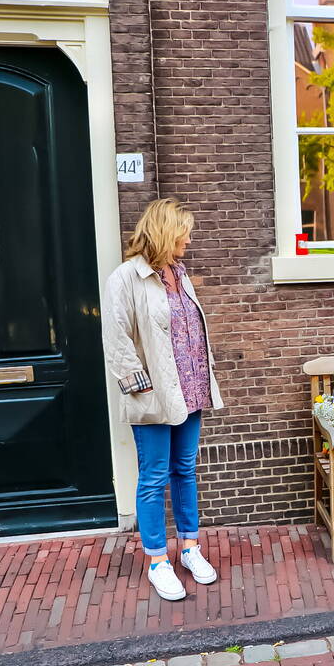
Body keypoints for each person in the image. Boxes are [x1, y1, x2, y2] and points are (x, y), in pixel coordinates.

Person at [102, 198, 225, 601]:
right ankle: (157, 561)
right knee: (154, 477)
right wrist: (140, 387)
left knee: (185, 470)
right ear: (164, 233)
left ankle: (190, 549)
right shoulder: (126, 278)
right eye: (184, 232)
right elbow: (116, 340)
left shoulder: (179, 272)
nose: (189, 239)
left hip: (190, 389)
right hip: (153, 394)